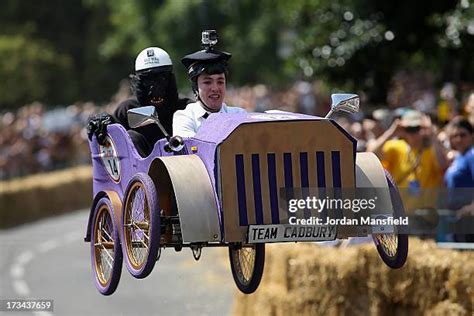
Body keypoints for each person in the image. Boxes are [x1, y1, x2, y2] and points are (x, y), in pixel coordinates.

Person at [88, 47, 190, 156]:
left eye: (161, 79)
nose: (155, 87)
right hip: (141, 170)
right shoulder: (128, 109)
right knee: (131, 136)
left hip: (183, 167)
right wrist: (104, 122)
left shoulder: (187, 108)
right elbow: (111, 139)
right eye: (148, 80)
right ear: (139, 82)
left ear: (170, 80)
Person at [173, 30, 246, 138]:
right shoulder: (184, 117)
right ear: (195, 87)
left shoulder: (239, 115)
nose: (215, 88)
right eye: (207, 82)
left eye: (220, 82)